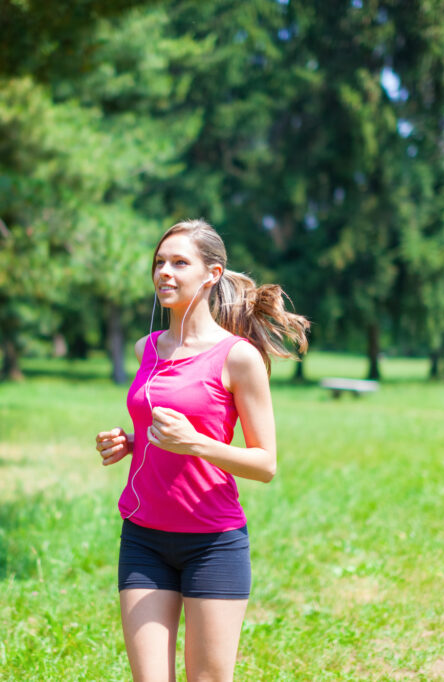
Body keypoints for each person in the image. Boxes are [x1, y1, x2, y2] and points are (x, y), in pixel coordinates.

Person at [95, 219, 309, 682]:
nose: (164, 273)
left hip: (212, 542)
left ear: (211, 275)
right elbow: (160, 431)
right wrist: (130, 443)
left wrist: (194, 443)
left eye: (179, 263)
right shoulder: (145, 349)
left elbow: (266, 464)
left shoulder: (238, 357)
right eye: (159, 263)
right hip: (143, 537)